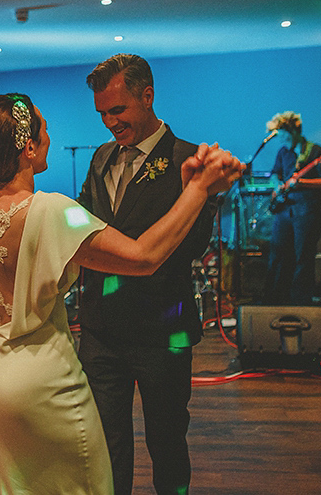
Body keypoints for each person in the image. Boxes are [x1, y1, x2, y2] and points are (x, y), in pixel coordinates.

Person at [0, 93, 243, 494]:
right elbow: (143, 257)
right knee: (83, 482)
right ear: (28, 147)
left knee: (10, 483)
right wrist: (199, 189)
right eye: (44, 129)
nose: (49, 137)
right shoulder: (50, 211)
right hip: (36, 375)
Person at [76, 53, 220, 495]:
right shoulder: (101, 157)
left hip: (162, 329)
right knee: (106, 444)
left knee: (167, 441)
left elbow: (195, 245)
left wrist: (203, 193)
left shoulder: (187, 158)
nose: (109, 123)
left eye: (117, 110)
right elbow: (85, 226)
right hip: (101, 330)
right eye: (101, 113)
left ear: (148, 96)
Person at [262, 111, 321, 305]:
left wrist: (301, 182)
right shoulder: (283, 152)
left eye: (284, 136)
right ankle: (275, 300)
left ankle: (300, 302)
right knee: (278, 253)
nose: (282, 141)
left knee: (303, 257)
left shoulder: (316, 152)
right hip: (285, 211)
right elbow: (275, 173)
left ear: (294, 131)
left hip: (308, 212)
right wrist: (278, 184)